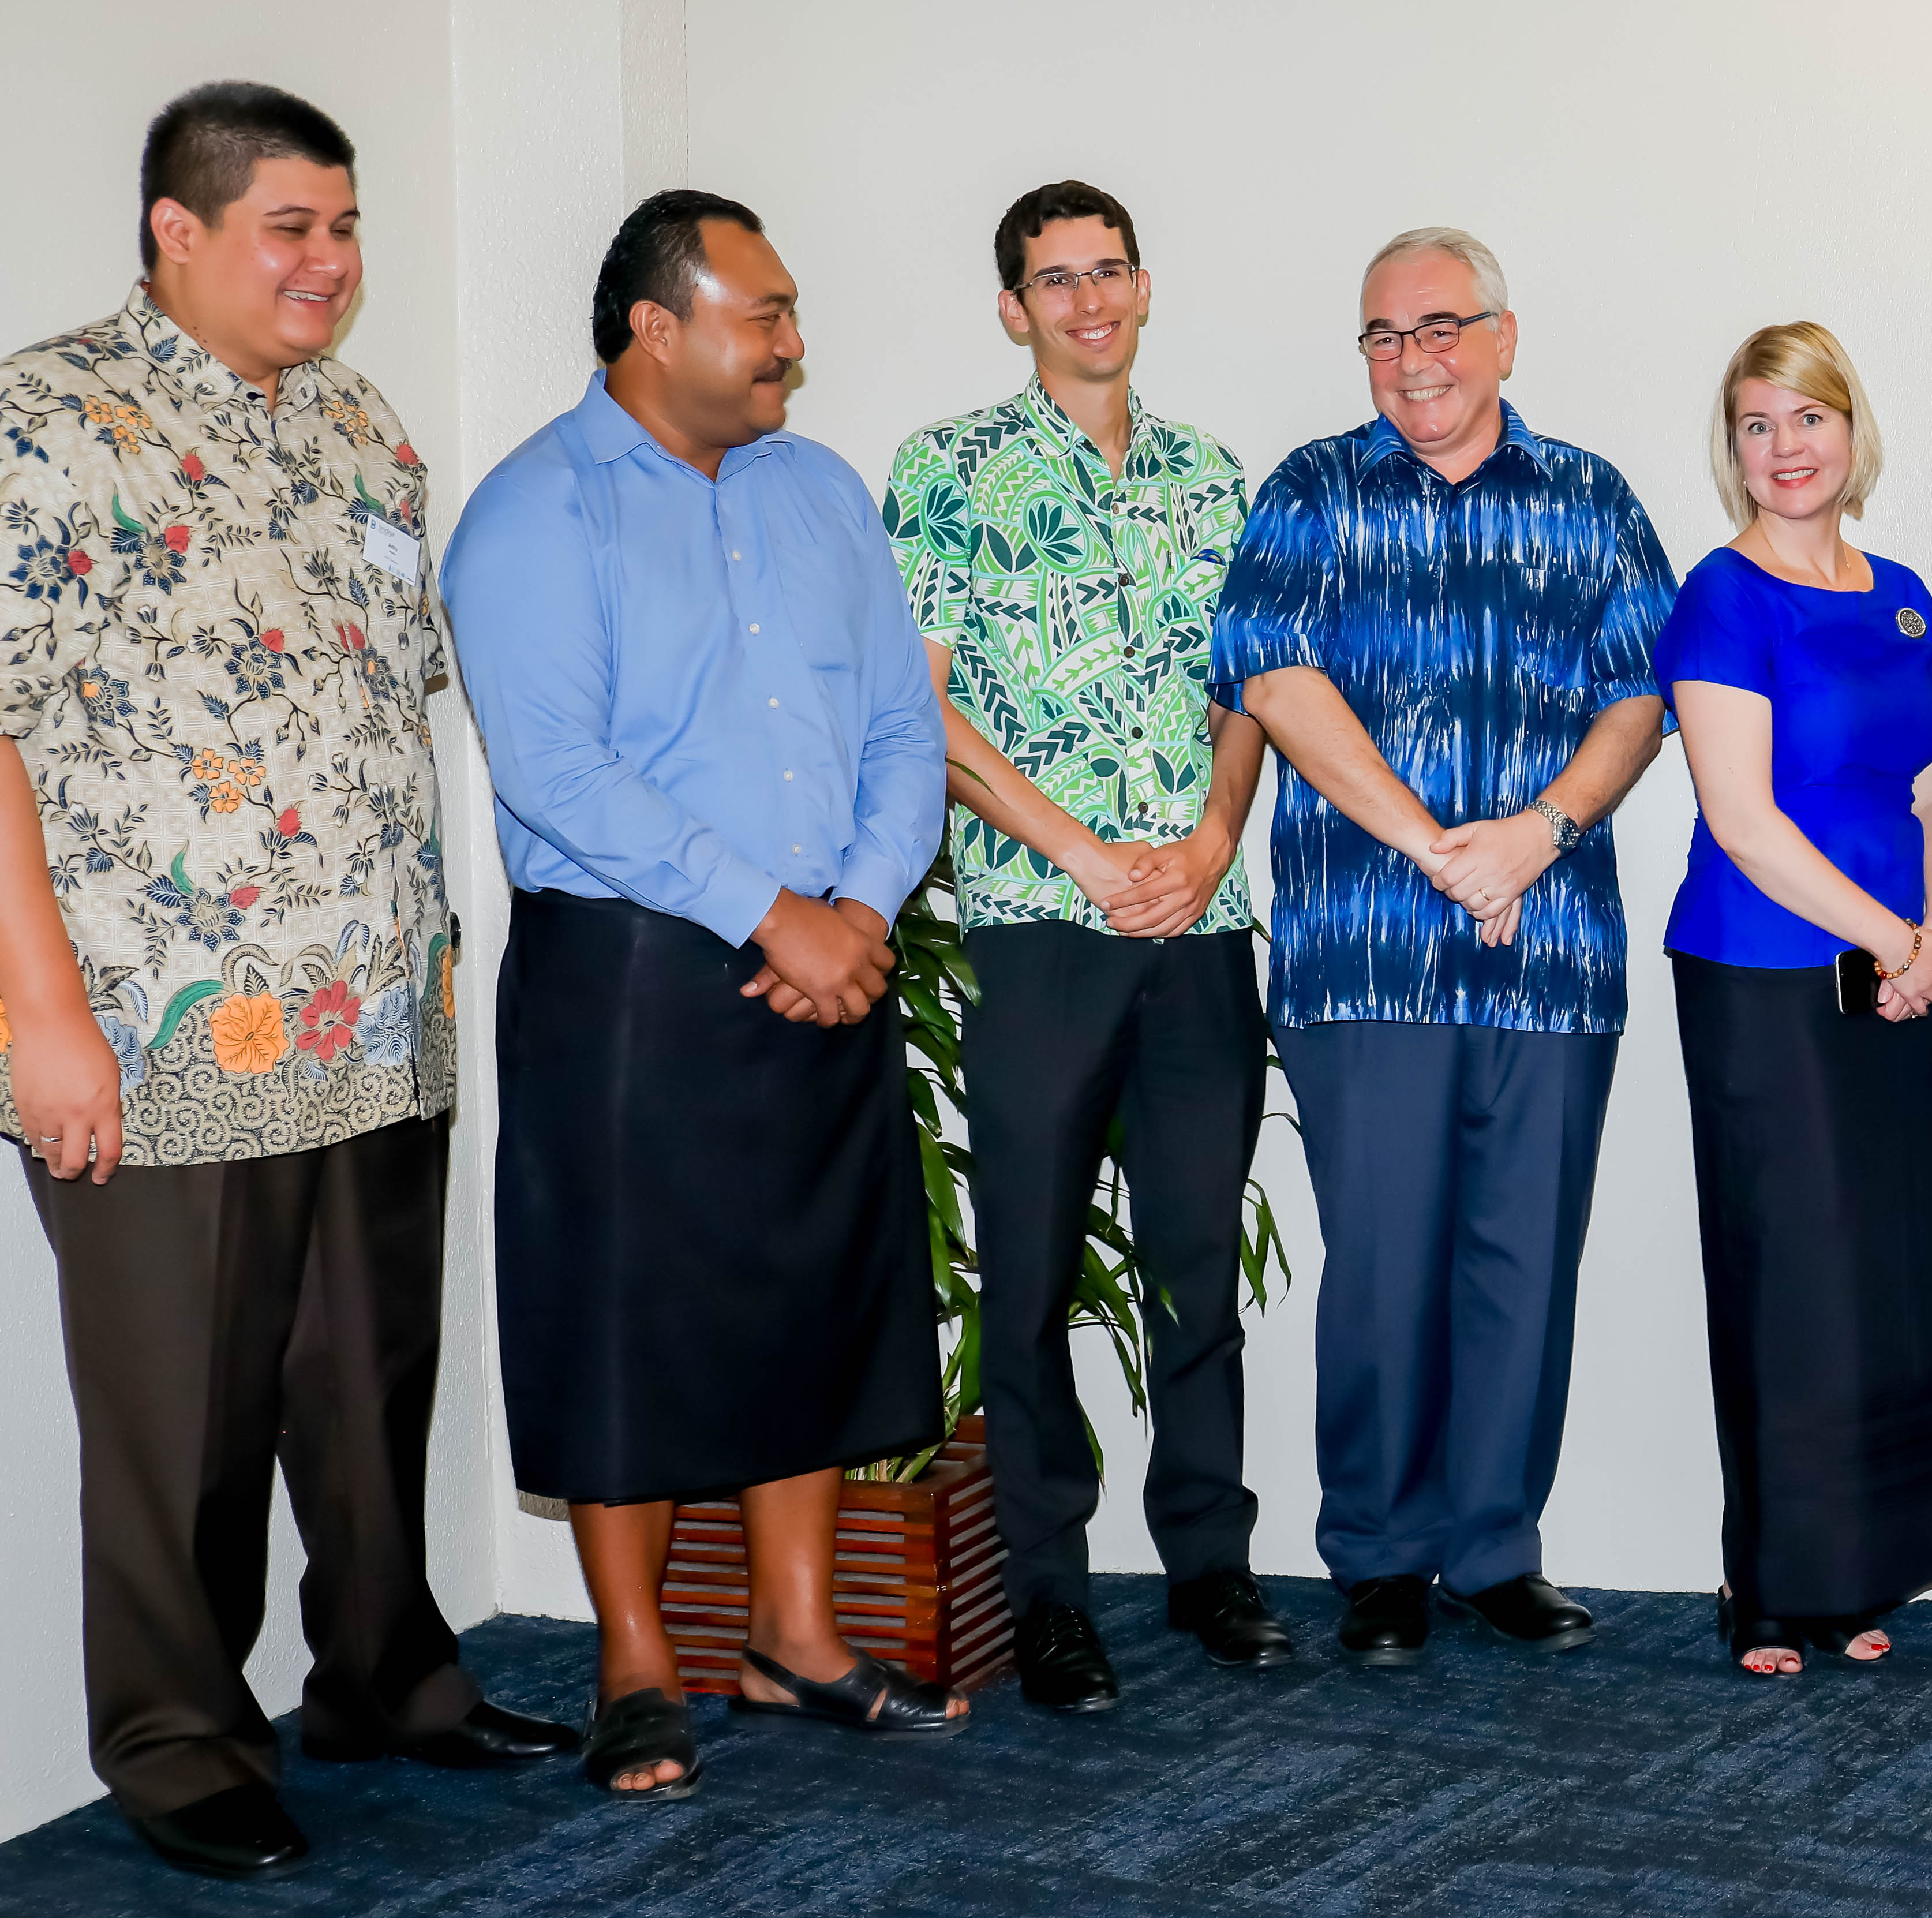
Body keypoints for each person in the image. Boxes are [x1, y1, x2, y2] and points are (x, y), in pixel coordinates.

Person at [0, 83, 571, 1879]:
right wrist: (42, 1017)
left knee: (366, 1382)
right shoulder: (48, 423)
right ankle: (178, 1740)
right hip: (163, 1025)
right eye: (290, 229)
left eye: (343, 228)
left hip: (376, 1016)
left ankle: (387, 1676)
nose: (329, 263)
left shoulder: (361, 432)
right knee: (184, 1414)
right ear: (177, 230)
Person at [447, 190, 968, 1800]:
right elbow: (557, 770)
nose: (793, 346)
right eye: (764, 314)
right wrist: (773, 913)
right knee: (626, 1309)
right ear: (655, 329)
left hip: (832, 943)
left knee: (809, 1291)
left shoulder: (820, 494)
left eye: (792, 311)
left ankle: (798, 1641)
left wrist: (860, 909)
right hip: (634, 966)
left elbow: (901, 724)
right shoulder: (536, 513)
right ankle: (636, 1663)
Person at [1211, 227, 1673, 1667]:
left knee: (1524, 1261)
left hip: (1551, 947)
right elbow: (1274, 677)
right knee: (1384, 1260)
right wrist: (1435, 842)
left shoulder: (1592, 498)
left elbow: (1645, 692)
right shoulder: (1312, 489)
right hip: (1368, 951)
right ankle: (1384, 1556)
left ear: (1505, 336)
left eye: (1439, 329)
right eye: (1383, 337)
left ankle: (1494, 1546)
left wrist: (1537, 829)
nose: (1412, 360)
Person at [881, 180, 1286, 1713]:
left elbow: (1252, 690)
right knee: (1033, 1271)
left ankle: (1209, 1565)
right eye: (1056, 281)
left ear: (1144, 285)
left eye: (1108, 272)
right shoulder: (949, 471)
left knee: (1194, 1261)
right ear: (1014, 308)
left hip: (1199, 924)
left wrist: (1208, 843)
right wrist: (1082, 851)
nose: (1088, 300)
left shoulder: (1212, 477)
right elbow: (915, 701)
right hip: (1041, 925)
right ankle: (1049, 1592)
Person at [1656, 323, 1932, 1676]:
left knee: (1882, 1273)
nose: (1785, 449)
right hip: (1762, 969)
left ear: (1854, 432)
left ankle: (1860, 1566)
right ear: (1731, 452)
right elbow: (1742, 817)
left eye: (1808, 419)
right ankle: (1769, 1584)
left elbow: (1930, 786)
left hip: (1899, 970)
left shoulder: (1902, 590)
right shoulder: (1723, 594)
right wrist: (1898, 937)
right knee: (1787, 1274)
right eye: (1755, 425)